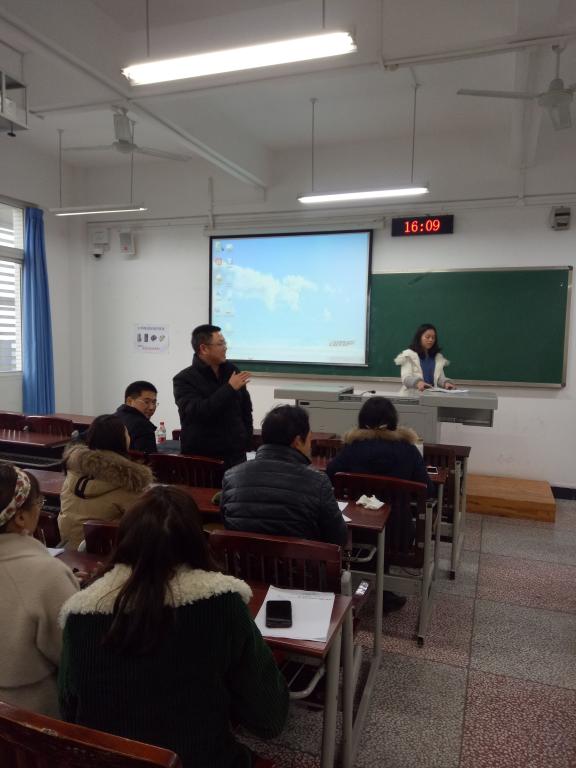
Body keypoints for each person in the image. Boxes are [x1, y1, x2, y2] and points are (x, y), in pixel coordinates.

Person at [58, 486, 288, 768]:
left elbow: (69, 710)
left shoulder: (80, 614)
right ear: (197, 541)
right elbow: (269, 718)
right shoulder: (223, 604)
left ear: (123, 540)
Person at [326, 396, 434, 612]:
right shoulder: (408, 450)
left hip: (357, 532)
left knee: (367, 532)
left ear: (362, 420)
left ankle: (359, 584)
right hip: (399, 535)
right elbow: (428, 489)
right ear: (393, 420)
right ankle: (383, 591)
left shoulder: (352, 448)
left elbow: (330, 475)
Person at [0, 463, 78, 717]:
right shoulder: (47, 575)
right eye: (38, 502)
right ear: (20, 517)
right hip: (29, 724)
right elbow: (75, 657)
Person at [222, 405, 348, 546]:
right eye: (309, 438)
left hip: (244, 559)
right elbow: (338, 538)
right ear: (297, 441)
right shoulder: (318, 482)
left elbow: (227, 523)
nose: (310, 444)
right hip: (300, 560)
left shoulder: (231, 477)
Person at [58, 414, 153, 549]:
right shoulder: (129, 482)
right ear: (120, 440)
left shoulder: (74, 470)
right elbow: (143, 524)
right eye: (126, 433)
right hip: (104, 551)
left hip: (67, 546)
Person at [173, 324, 253, 468]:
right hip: (202, 457)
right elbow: (197, 412)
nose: (225, 348)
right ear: (204, 349)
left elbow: (245, 409)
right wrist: (229, 388)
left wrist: (246, 440)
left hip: (235, 454)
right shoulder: (184, 379)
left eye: (225, 343)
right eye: (220, 344)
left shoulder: (232, 370)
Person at [394, 323, 456, 393]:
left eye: (433, 338)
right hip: (412, 395)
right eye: (427, 337)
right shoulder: (408, 355)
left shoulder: (437, 357)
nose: (431, 340)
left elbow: (439, 378)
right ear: (419, 337)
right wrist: (418, 383)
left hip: (432, 395)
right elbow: (406, 378)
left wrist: (446, 383)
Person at [115, 380, 158, 453]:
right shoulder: (143, 426)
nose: (151, 407)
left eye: (154, 402)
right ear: (129, 401)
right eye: (146, 402)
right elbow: (150, 458)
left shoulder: (113, 418)